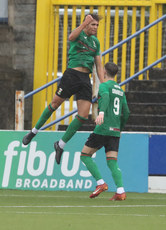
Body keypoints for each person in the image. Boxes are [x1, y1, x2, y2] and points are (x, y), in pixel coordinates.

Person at [22, 14, 104, 165]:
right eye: (93, 25)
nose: (95, 28)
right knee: (54, 104)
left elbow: (98, 64)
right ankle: (33, 131)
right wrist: (83, 23)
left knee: (83, 116)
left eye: (97, 25)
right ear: (86, 24)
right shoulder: (78, 33)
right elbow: (71, 37)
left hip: (85, 79)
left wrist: (103, 83)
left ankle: (60, 144)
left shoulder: (96, 42)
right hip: (72, 75)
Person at [80, 62, 130, 200]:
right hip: (115, 130)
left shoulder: (103, 86)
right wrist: (120, 127)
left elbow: (106, 97)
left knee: (85, 155)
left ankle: (100, 183)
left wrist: (101, 113)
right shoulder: (120, 90)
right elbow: (126, 112)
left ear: (105, 73)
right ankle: (120, 191)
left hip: (102, 128)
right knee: (112, 161)